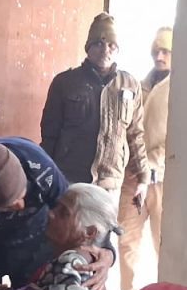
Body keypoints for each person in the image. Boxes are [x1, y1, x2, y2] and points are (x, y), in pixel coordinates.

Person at [0, 131, 113, 290]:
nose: (21, 206)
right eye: (9, 206)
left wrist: (106, 252)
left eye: (23, 194)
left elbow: (80, 217)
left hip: (34, 243)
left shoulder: (39, 165)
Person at [39, 12, 150, 203]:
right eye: (98, 43)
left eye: (111, 45)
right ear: (88, 47)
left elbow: (135, 134)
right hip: (71, 179)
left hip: (110, 184)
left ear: (117, 49)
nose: (105, 50)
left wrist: (143, 177)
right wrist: (46, 176)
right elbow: (49, 134)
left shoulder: (130, 85)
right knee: (69, 223)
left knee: (104, 224)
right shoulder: (65, 82)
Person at [118, 27, 172, 290]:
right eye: (155, 51)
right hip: (133, 177)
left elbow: (179, 136)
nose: (159, 56)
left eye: (165, 51)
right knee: (126, 239)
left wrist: (152, 165)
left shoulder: (182, 90)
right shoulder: (139, 86)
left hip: (164, 181)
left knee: (164, 245)